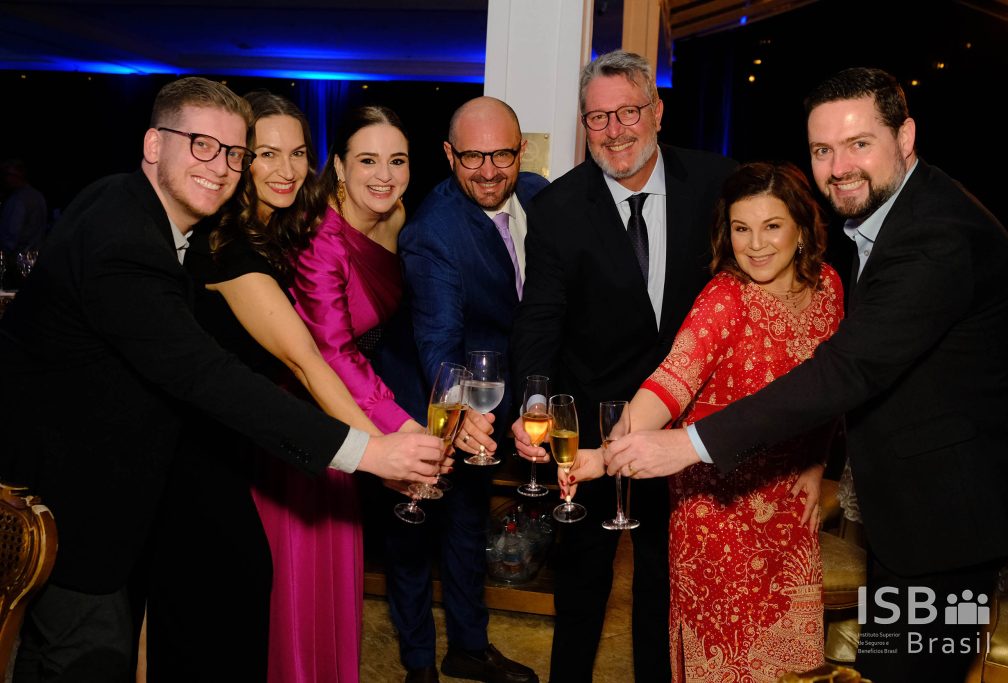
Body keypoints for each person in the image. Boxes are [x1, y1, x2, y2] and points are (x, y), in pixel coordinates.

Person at [0, 77, 444, 682]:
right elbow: (217, 373)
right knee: (91, 652)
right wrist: (369, 452)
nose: (222, 166)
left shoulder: (140, 209)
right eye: (203, 146)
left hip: (137, 471)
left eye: (234, 152)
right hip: (80, 489)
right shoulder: (133, 238)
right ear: (153, 144)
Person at [605, 67, 1008, 682]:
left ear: (906, 136)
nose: (839, 166)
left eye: (859, 143)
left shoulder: (934, 235)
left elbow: (846, 371)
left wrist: (690, 444)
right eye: (823, 149)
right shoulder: (888, 221)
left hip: (947, 523)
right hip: (912, 518)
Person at [510, 50, 736, 683]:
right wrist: (535, 401)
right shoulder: (557, 208)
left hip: (685, 430)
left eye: (628, 112)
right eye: (597, 117)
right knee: (582, 588)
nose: (614, 131)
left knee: (667, 586)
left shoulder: (718, 184)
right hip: (591, 432)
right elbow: (539, 318)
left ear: (657, 111)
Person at [567, 161, 841, 681]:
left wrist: (816, 463)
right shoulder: (725, 298)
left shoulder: (828, 288)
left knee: (792, 663)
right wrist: (605, 456)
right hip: (716, 511)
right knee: (728, 663)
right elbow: (669, 383)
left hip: (788, 504)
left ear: (802, 228)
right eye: (741, 228)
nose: (755, 245)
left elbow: (833, 389)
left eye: (772, 226)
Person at [375, 96, 548, 683]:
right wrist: (460, 409)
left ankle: (469, 649)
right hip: (427, 394)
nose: (489, 171)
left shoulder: (538, 194)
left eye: (502, 155)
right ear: (449, 155)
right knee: (413, 531)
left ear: (521, 152)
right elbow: (439, 340)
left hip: (491, 393)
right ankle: (418, 663)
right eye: (473, 156)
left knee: (469, 522)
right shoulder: (434, 232)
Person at [255, 105, 420, 683]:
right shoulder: (320, 237)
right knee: (300, 582)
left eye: (397, 160)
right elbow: (332, 350)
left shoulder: (395, 216)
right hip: (304, 418)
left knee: (337, 574)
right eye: (367, 160)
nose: (385, 175)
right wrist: (399, 431)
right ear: (339, 168)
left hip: (351, 407)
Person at [0, 158, 48, 288]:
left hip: (17, 263)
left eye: (7, 174)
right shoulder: (38, 196)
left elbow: (10, 237)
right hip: (36, 259)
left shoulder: (18, 200)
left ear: (17, 175)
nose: (5, 179)